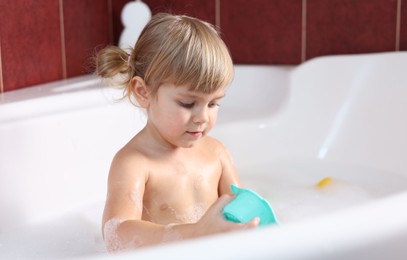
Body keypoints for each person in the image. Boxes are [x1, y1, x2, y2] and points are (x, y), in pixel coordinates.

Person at [96, 13, 259, 253]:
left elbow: (246, 210)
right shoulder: (134, 163)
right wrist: (195, 233)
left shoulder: (216, 154)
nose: (203, 117)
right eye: (187, 103)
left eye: (213, 103)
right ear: (143, 92)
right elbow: (116, 234)